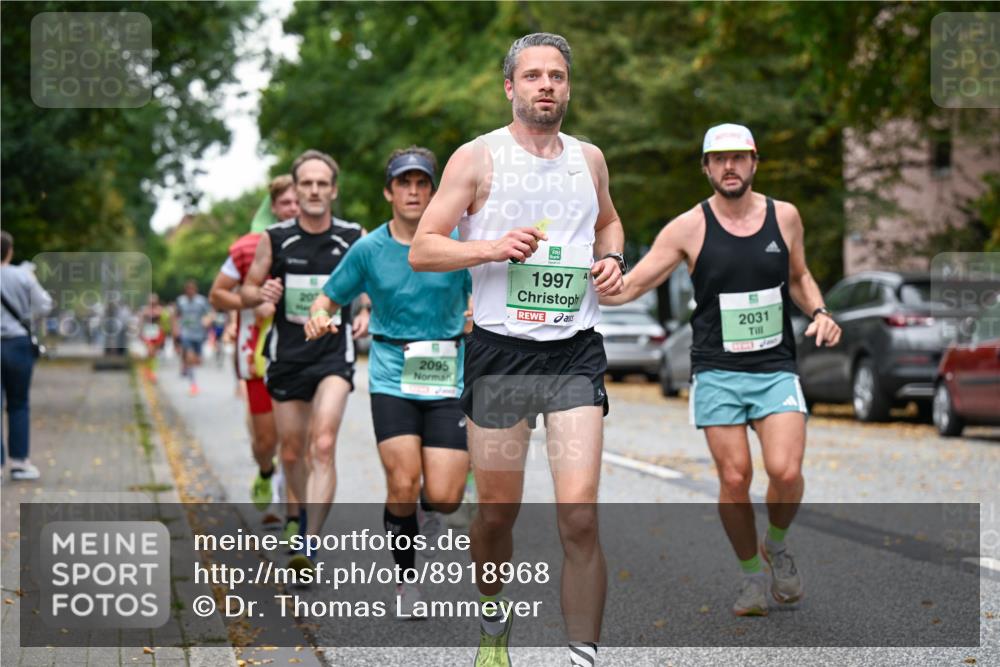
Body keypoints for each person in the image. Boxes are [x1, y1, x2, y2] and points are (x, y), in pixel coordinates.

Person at [409, 33, 626, 667]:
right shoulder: (477, 159)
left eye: (556, 75)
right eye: (532, 75)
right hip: (501, 352)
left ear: (568, 86)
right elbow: (424, 248)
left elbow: (608, 220)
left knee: (579, 517)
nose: (546, 85)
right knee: (498, 514)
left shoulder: (589, 159)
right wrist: (488, 247)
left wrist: (611, 258)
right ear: (510, 87)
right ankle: (494, 619)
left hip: (574, 355)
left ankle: (583, 654)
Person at [601, 123, 842, 616]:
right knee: (735, 478)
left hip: (776, 366)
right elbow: (630, 286)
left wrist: (819, 311)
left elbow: (799, 276)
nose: (729, 167)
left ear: (754, 162)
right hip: (716, 369)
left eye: (738, 158)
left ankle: (776, 543)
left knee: (786, 470)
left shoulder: (786, 217)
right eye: (719, 159)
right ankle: (753, 577)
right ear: (706, 167)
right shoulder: (687, 227)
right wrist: (585, 279)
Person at [305, 146, 471, 617]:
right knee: (402, 480)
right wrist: (319, 317)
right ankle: (406, 582)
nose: (414, 192)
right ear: (389, 191)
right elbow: (327, 299)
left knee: (445, 495)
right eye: (404, 183)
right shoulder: (368, 249)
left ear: (434, 191)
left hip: (447, 376)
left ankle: (424, 510)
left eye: (422, 183)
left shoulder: (457, 242)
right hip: (392, 375)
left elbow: (485, 296)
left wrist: (479, 311)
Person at [241, 149, 367, 571]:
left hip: (334, 355)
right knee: (291, 452)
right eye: (306, 184)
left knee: (323, 443)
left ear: (333, 190)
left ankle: (309, 542)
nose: (314, 191)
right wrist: (260, 296)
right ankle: (297, 514)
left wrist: (365, 310)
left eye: (321, 184)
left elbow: (369, 285)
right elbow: (247, 290)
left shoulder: (353, 237)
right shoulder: (275, 238)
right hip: (287, 356)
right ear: (296, 190)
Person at [209, 175, 300, 514]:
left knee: (296, 442)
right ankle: (265, 471)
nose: (293, 208)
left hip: (305, 354)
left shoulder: (324, 241)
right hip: (258, 354)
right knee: (266, 441)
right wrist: (250, 303)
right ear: (273, 208)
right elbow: (217, 294)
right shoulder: (248, 247)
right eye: (285, 203)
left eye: (297, 201)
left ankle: (293, 518)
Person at [1, 231, 53, 481]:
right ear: (9, 251)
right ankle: (20, 463)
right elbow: (44, 305)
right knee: (19, 403)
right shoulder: (22, 276)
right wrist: (27, 317)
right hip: (18, 344)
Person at [173, 279, 212, 396]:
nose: (190, 291)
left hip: (199, 334)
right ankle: (193, 384)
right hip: (186, 333)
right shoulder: (181, 301)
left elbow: (210, 314)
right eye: (188, 289)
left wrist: (207, 321)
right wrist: (175, 329)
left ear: (195, 290)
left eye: (192, 289)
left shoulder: (201, 301)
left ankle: (186, 365)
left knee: (197, 360)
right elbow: (175, 316)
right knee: (190, 357)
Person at [140, 293, 166, 381]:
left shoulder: (160, 309)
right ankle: (149, 370)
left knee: (154, 353)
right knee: (150, 351)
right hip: (148, 332)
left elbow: (164, 320)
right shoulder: (145, 310)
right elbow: (141, 321)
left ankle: (151, 371)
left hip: (157, 332)